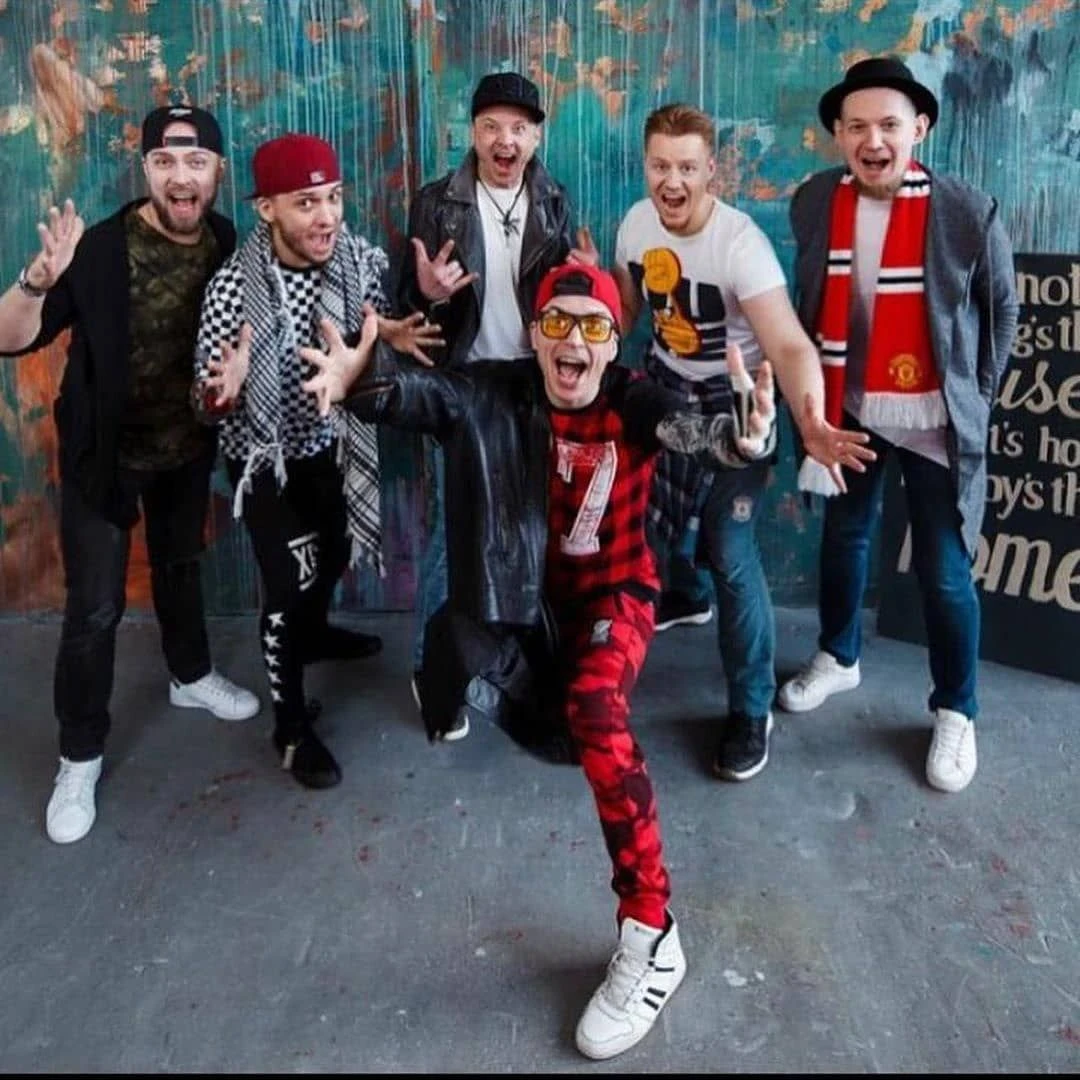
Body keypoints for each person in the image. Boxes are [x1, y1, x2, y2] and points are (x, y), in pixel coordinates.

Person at [299, 262, 778, 1060]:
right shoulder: (495, 390)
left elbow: (689, 432)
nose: (572, 341)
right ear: (533, 334)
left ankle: (652, 933)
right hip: (524, 600)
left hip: (616, 594)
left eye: (592, 326)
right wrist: (361, 381)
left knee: (596, 713)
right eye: (557, 322)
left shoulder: (633, 397)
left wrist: (737, 440)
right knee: (471, 666)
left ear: (613, 342)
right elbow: (423, 397)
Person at [0, 104, 260, 845]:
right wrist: (34, 282)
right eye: (165, 161)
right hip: (104, 456)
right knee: (94, 611)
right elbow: (9, 339)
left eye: (196, 161)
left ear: (216, 171)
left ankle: (190, 676)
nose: (182, 176)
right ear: (147, 169)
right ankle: (79, 757)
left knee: (180, 566)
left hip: (185, 448)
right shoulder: (98, 250)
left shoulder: (226, 240)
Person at [776, 57, 1019, 794]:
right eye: (857, 127)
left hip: (934, 418)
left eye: (888, 124)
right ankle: (838, 655)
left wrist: (973, 399)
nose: (872, 140)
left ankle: (956, 709)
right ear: (839, 135)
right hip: (853, 407)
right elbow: (809, 300)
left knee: (944, 571)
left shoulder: (966, 210)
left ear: (921, 128)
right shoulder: (816, 201)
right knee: (845, 537)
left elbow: (1002, 311)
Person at [613, 103, 874, 782]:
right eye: (660, 166)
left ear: (712, 171)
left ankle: (751, 707)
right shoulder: (636, 225)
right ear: (646, 165)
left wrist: (811, 424)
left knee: (730, 549)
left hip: (739, 404)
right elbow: (632, 308)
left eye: (687, 168)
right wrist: (596, 312)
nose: (672, 181)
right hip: (667, 388)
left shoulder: (740, 246)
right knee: (644, 528)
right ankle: (684, 596)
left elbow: (789, 346)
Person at [193, 132, 441, 791]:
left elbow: (375, 326)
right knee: (287, 586)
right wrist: (225, 390)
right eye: (306, 203)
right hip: (267, 461)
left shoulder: (356, 259)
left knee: (332, 554)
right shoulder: (231, 291)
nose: (327, 216)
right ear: (266, 209)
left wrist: (390, 332)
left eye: (333, 198)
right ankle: (291, 728)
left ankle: (315, 632)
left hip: (331, 446)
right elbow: (203, 403)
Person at [395, 70, 589, 734]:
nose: (505, 141)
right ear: (473, 133)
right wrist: (428, 295)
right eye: (491, 127)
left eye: (519, 128)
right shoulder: (437, 202)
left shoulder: (554, 199)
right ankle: (431, 667)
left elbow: (565, 296)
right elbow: (408, 310)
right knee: (454, 533)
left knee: (533, 526)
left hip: (534, 383)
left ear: (535, 137)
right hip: (464, 381)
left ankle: (514, 656)